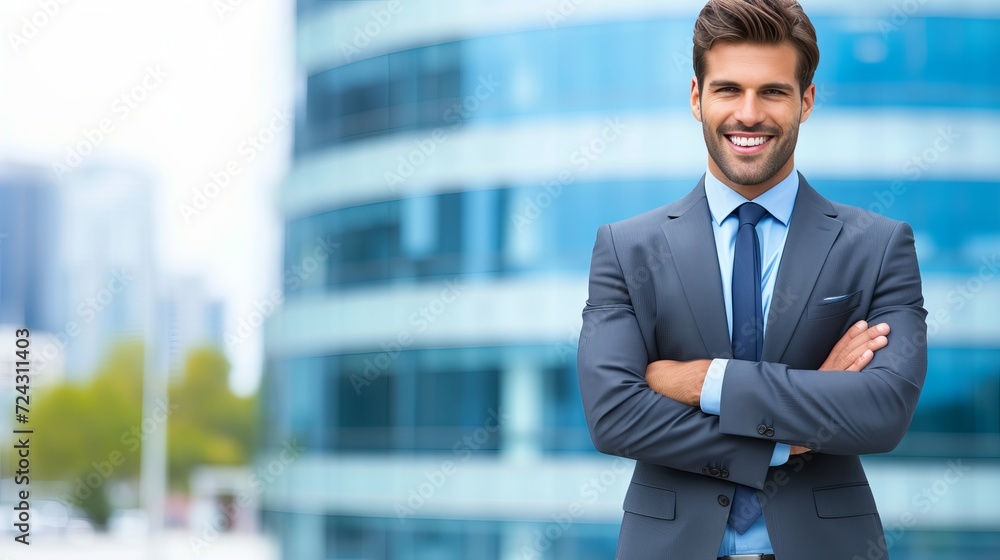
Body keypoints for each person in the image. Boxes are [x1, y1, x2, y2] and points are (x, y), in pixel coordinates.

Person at [576, 0, 927, 558]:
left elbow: (881, 411)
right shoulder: (625, 248)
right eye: (728, 89)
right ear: (697, 97)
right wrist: (788, 439)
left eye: (773, 91)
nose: (748, 113)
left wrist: (704, 381)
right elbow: (615, 416)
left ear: (805, 101)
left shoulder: (878, 246)